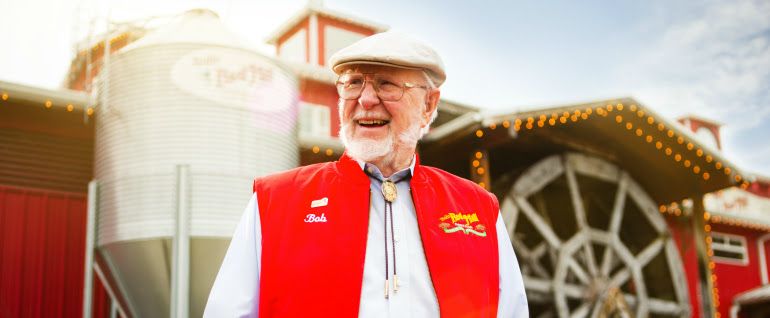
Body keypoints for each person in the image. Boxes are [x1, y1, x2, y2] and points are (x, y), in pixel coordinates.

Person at [204, 31, 528, 317]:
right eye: (353, 83)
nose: (366, 99)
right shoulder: (274, 201)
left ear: (428, 104)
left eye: (386, 84)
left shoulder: (478, 209)